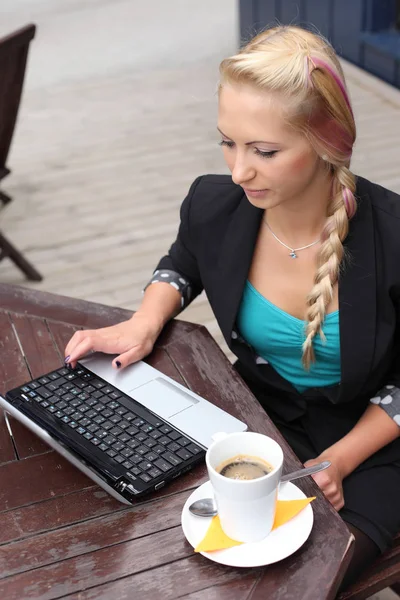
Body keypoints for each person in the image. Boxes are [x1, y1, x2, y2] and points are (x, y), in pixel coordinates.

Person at [64, 26, 400, 589]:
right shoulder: (212, 203)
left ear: (329, 140)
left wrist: (338, 460)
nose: (239, 170)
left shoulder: (394, 237)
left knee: (303, 580)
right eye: (228, 142)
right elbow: (184, 260)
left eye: (264, 151)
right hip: (257, 420)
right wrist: (144, 321)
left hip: (371, 446)